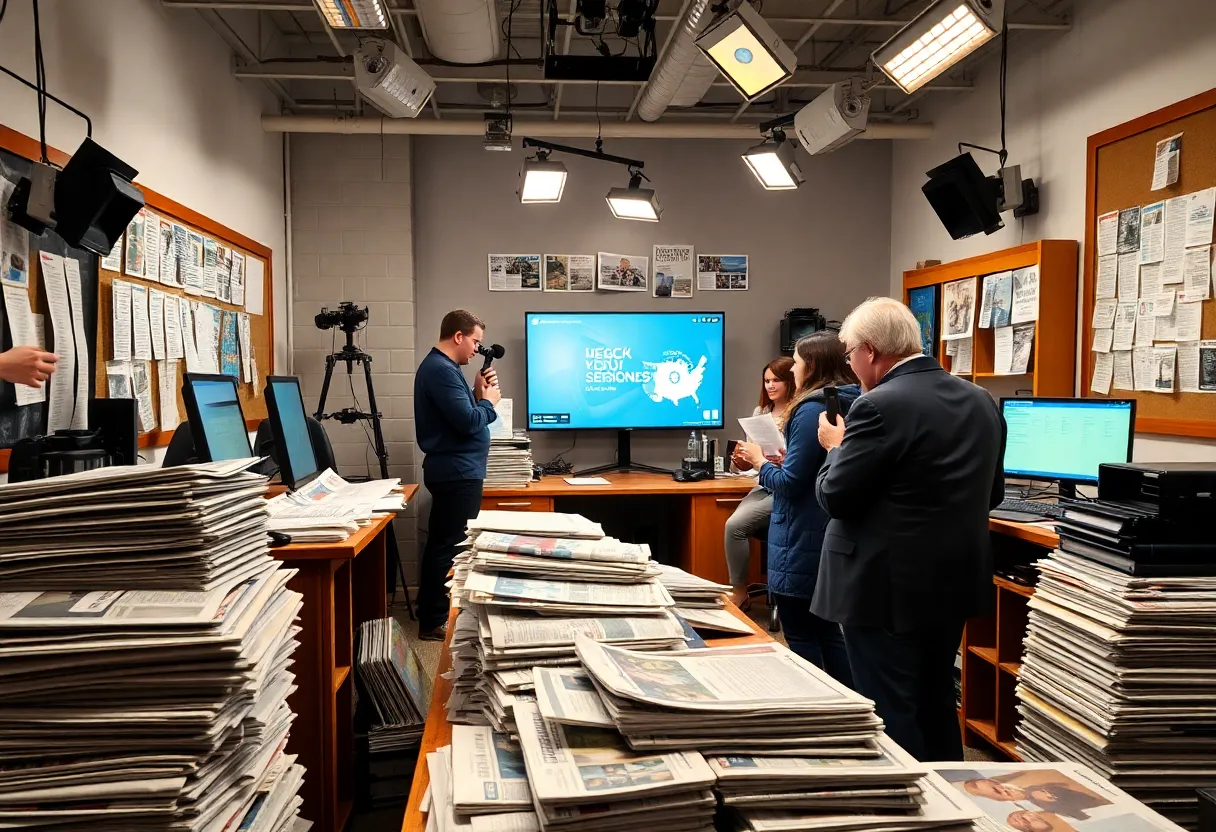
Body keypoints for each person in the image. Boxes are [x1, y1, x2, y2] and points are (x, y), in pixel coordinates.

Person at [813, 297, 1005, 760]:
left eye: (849, 353)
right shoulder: (980, 399)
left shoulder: (877, 406)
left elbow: (835, 497)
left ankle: (913, 797)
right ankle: (951, 792)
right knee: (936, 698)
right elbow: (993, 494)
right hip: (952, 580)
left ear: (871, 350)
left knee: (891, 706)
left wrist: (835, 447)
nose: (850, 364)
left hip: (883, 587)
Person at [733, 333, 859, 683]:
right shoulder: (850, 400)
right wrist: (788, 460)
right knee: (827, 630)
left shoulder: (808, 409)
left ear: (812, 365)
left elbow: (789, 484)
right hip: (827, 530)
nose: (793, 370)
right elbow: (815, 467)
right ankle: (850, 702)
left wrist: (759, 461)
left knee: (800, 632)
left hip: (800, 533)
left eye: (798, 363)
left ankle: (817, 705)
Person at [414, 310, 501, 641]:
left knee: (444, 543)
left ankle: (432, 614)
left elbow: (461, 416)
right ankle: (434, 619)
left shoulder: (445, 368)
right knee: (448, 546)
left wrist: (478, 395)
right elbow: (468, 423)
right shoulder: (441, 370)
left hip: (457, 470)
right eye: (475, 341)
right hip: (457, 472)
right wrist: (489, 403)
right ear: (458, 336)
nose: (477, 349)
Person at [723, 357, 794, 609]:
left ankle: (739, 592)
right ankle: (740, 591)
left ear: (790, 381)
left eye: (776, 380)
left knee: (735, 526)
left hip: (785, 485)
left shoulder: (799, 412)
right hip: (763, 483)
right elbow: (747, 466)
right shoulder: (760, 413)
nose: (770, 386)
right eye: (766, 381)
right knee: (733, 526)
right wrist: (740, 460)